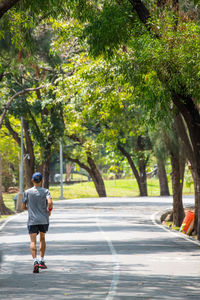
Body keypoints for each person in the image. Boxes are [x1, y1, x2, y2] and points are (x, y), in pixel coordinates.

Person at [22, 172, 53, 273]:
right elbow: (49, 202)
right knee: (42, 238)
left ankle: (35, 261)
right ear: (42, 181)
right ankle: (42, 261)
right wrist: (49, 210)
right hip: (43, 219)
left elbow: (23, 207)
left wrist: (29, 209)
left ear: (32, 180)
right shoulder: (45, 191)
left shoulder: (27, 192)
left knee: (32, 241)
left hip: (32, 220)